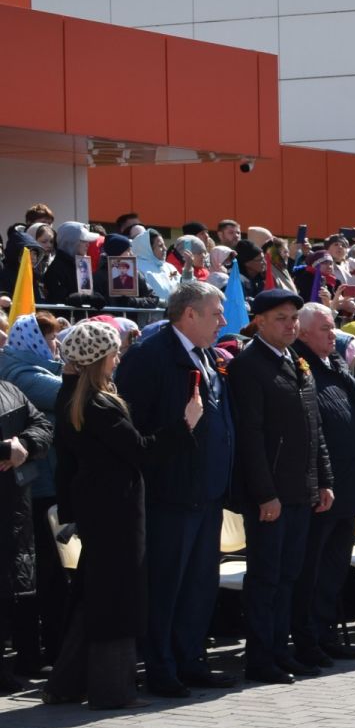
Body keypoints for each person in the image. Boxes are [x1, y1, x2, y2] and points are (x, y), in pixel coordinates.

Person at [48, 321, 202, 710]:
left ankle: (67, 682)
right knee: (117, 597)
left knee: (93, 594)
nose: (118, 359)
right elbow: (141, 451)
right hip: (115, 508)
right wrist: (186, 424)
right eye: (113, 353)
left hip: (96, 505)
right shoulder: (97, 404)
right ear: (99, 359)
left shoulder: (71, 396)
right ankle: (111, 690)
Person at [116, 280, 236, 696]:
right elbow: (131, 430)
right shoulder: (149, 357)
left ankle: (190, 658)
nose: (224, 321)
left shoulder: (208, 355)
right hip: (170, 495)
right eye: (216, 313)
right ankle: (161, 666)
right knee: (166, 585)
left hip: (207, 493)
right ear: (189, 315)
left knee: (199, 585)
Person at [226, 286, 334, 684]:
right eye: (280, 319)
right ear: (259, 322)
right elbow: (251, 436)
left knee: (289, 576)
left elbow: (313, 427)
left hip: (300, 489)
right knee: (266, 578)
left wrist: (323, 479)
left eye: (293, 319)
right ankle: (260, 658)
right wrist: (264, 494)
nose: (289, 326)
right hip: (271, 494)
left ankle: (279, 650)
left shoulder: (296, 361)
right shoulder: (248, 365)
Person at [289, 303, 355, 665]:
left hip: (348, 486)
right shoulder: (299, 365)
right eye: (325, 328)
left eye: (333, 327)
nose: (333, 334)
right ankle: (306, 639)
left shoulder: (334, 364)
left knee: (335, 568)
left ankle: (324, 634)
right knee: (312, 569)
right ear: (303, 332)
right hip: (321, 489)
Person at [0, 372, 53, 690]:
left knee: (9, 593)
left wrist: (25, 443)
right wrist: (6, 449)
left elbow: (42, 426)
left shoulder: (9, 390)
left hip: (13, 508)